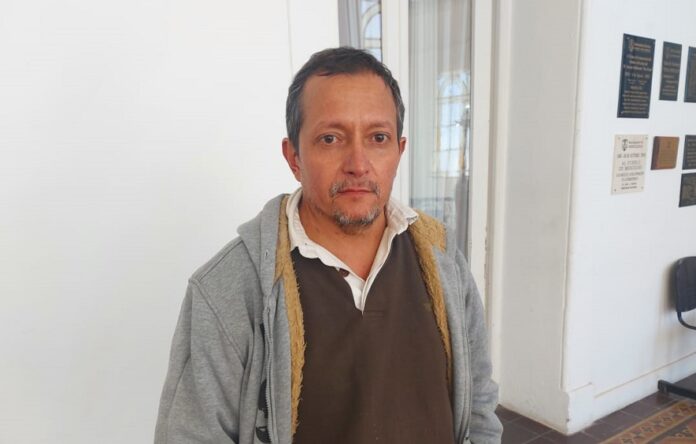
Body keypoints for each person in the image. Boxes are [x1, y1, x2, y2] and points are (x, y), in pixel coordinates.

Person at [155, 47, 502, 444]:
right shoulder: (227, 291)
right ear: (294, 157)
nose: (358, 163)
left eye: (378, 138)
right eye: (331, 138)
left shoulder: (442, 259)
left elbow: (479, 403)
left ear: (399, 151)